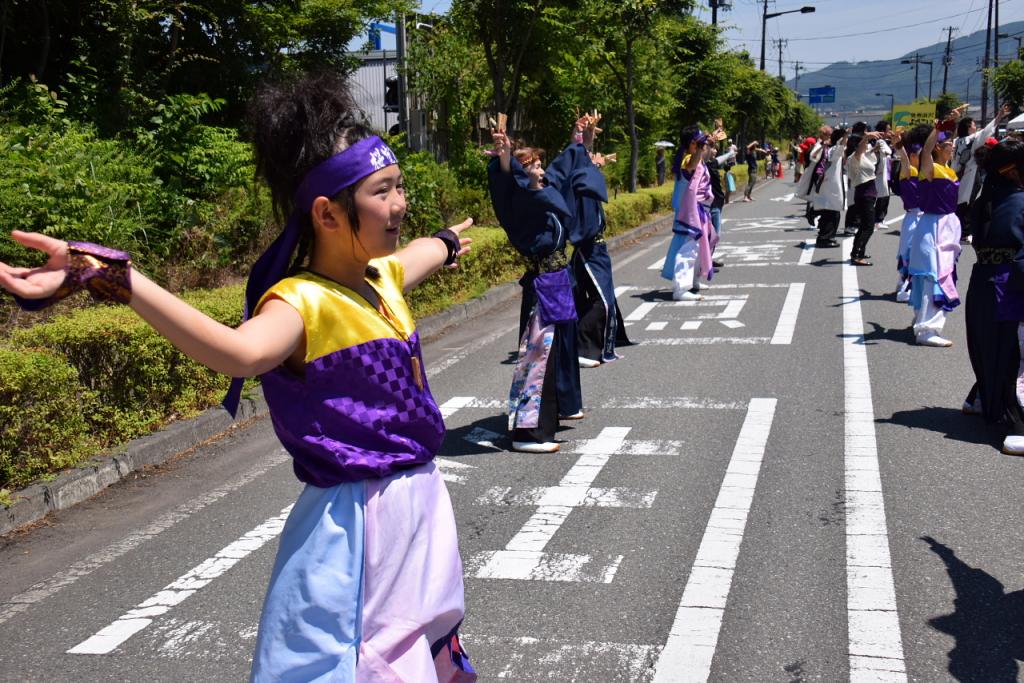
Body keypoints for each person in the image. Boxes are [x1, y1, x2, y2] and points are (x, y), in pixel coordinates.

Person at [0, 72, 477, 682]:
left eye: (399, 186)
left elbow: (422, 255)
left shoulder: (379, 279)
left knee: (415, 657)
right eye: (383, 191)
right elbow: (236, 352)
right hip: (357, 524)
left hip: (417, 505)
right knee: (345, 666)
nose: (401, 203)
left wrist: (446, 242)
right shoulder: (299, 303)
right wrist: (114, 277)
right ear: (328, 213)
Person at [488, 127, 584, 453]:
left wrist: (578, 142)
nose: (540, 170)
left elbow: (561, 176)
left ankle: (549, 417)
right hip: (542, 287)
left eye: (540, 164)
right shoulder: (520, 205)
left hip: (555, 284)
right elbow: (505, 184)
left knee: (552, 356)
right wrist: (505, 156)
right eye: (532, 165)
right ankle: (529, 434)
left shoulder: (542, 200)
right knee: (537, 357)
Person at [547, 113, 632, 368]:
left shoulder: (584, 177)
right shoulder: (573, 181)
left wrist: (587, 135)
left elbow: (582, 152)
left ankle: (590, 346)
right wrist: (579, 137)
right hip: (588, 249)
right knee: (602, 301)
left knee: (601, 299)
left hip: (596, 247)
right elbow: (572, 157)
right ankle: (583, 349)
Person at [962, 139, 1024, 454]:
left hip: (983, 282)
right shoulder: (1019, 200)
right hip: (1011, 283)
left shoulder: (984, 198)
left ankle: (983, 397)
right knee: (1013, 354)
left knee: (990, 348)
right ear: (1012, 170)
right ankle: (1018, 422)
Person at [906, 117, 963, 346]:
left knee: (938, 274)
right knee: (934, 276)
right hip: (934, 226)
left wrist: (953, 125)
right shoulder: (930, 168)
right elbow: (927, 150)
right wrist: (937, 129)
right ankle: (926, 330)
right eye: (949, 144)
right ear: (938, 146)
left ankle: (922, 320)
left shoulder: (948, 169)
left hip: (946, 225)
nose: (953, 147)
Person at [662, 125, 717, 301]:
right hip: (690, 211)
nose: (703, 145)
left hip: (700, 208)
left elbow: (704, 157)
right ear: (692, 143)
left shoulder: (697, 157)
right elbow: (692, 165)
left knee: (701, 246)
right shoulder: (687, 159)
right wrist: (701, 147)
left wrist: (710, 142)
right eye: (698, 141)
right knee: (689, 247)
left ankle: (693, 281)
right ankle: (680, 288)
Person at [953, 104, 1010, 242]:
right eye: (973, 125)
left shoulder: (957, 141)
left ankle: (957, 230)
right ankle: (964, 232)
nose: (975, 127)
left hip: (956, 175)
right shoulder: (972, 139)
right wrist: (999, 116)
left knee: (960, 203)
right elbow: (986, 131)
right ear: (968, 128)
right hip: (970, 175)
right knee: (968, 203)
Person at [893, 124, 930, 303]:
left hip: (924, 217)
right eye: (917, 155)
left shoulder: (924, 172)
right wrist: (899, 146)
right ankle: (904, 285)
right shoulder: (908, 171)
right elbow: (904, 160)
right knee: (907, 252)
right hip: (912, 217)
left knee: (919, 253)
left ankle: (907, 283)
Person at [846, 129, 883, 265]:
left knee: (864, 226)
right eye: (864, 143)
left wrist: (874, 148)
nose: (867, 145)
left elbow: (866, 153)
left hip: (868, 194)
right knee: (868, 227)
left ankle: (859, 252)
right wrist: (866, 137)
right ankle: (856, 255)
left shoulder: (862, 157)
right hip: (864, 195)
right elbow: (860, 151)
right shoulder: (853, 157)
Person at [810, 127, 848, 248]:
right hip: (832, 186)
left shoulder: (832, 149)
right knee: (832, 214)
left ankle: (826, 237)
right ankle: (825, 239)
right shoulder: (835, 150)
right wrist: (845, 136)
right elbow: (840, 147)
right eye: (845, 139)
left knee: (831, 213)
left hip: (830, 185)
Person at [872, 120, 894, 230]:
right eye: (888, 130)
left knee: (885, 197)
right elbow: (888, 152)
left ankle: (880, 218)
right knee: (882, 197)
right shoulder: (879, 141)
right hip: (881, 173)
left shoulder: (883, 141)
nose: (889, 132)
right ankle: (878, 220)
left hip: (886, 173)